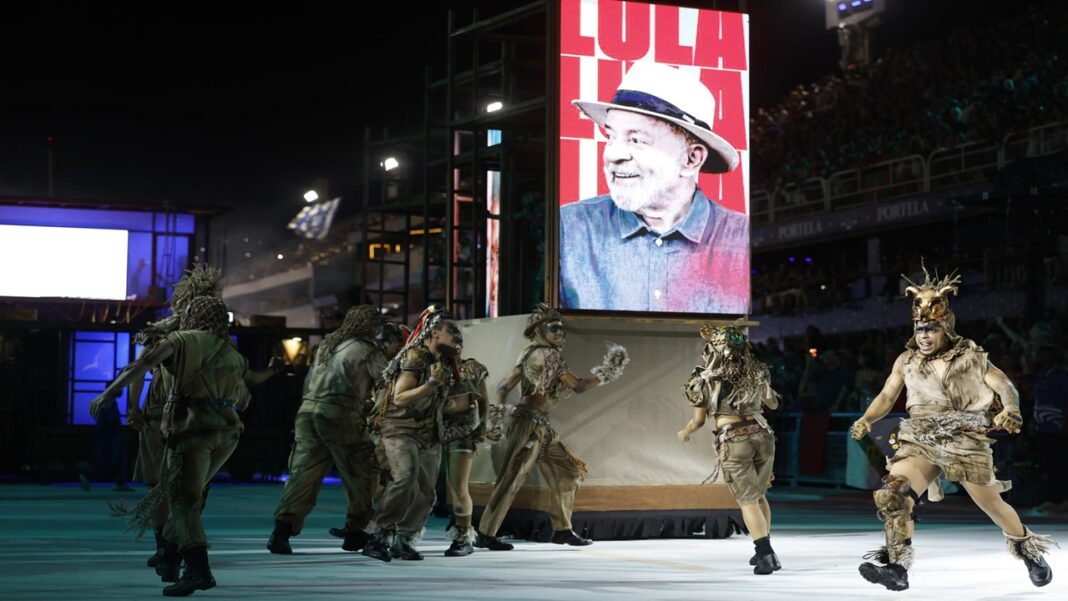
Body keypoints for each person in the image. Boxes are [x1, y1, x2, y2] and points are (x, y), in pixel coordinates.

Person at [850, 267, 1055, 591]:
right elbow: (887, 396)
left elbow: (1004, 385)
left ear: (945, 327)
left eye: (931, 329)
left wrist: (1012, 409)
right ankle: (897, 568)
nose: (924, 336)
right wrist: (866, 418)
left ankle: (1029, 551)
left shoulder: (970, 356)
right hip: (919, 435)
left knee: (993, 505)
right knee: (894, 495)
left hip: (963, 436)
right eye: (919, 329)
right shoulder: (906, 360)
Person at [90, 297, 253, 597]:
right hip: (225, 432)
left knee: (181, 498)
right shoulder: (230, 351)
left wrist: (112, 395)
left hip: (190, 427)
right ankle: (170, 555)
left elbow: (142, 364)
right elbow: (243, 400)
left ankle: (193, 567)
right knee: (189, 494)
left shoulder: (180, 339)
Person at [560, 61, 748, 314]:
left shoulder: (744, 240)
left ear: (691, 159)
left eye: (636, 140)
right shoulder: (568, 228)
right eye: (610, 136)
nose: (613, 154)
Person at [475, 303, 628, 550]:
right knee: (512, 478)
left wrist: (497, 417)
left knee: (568, 472)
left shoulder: (528, 353)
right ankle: (485, 533)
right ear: (540, 330)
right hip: (528, 425)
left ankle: (562, 529)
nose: (560, 332)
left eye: (561, 328)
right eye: (553, 328)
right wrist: (606, 373)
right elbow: (577, 386)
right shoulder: (549, 355)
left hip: (539, 426)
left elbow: (503, 388)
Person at [267, 306, 394, 555]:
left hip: (308, 412)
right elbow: (387, 384)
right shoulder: (368, 350)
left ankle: (282, 531)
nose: (378, 329)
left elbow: (308, 381)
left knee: (303, 475)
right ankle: (355, 531)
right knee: (363, 472)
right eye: (375, 323)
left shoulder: (328, 344)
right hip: (341, 414)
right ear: (366, 325)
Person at [677, 324, 781, 575]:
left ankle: (766, 553)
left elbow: (698, 420)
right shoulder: (757, 372)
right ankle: (764, 548)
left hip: (734, 439)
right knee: (759, 495)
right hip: (763, 435)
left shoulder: (703, 378)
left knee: (747, 500)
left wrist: (685, 431)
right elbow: (773, 404)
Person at [361, 306, 460, 562]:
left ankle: (404, 539)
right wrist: (431, 385)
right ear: (434, 332)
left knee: (426, 490)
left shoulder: (444, 362)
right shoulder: (415, 357)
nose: (458, 335)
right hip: (400, 427)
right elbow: (400, 397)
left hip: (429, 432)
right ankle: (379, 535)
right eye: (452, 330)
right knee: (405, 478)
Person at [440, 337, 494, 557]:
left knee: (459, 487)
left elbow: (483, 401)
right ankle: (404, 536)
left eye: (458, 342)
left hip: (462, 432)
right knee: (419, 487)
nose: (455, 347)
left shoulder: (472, 368)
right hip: (430, 432)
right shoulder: (429, 366)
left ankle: (463, 537)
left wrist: (482, 425)